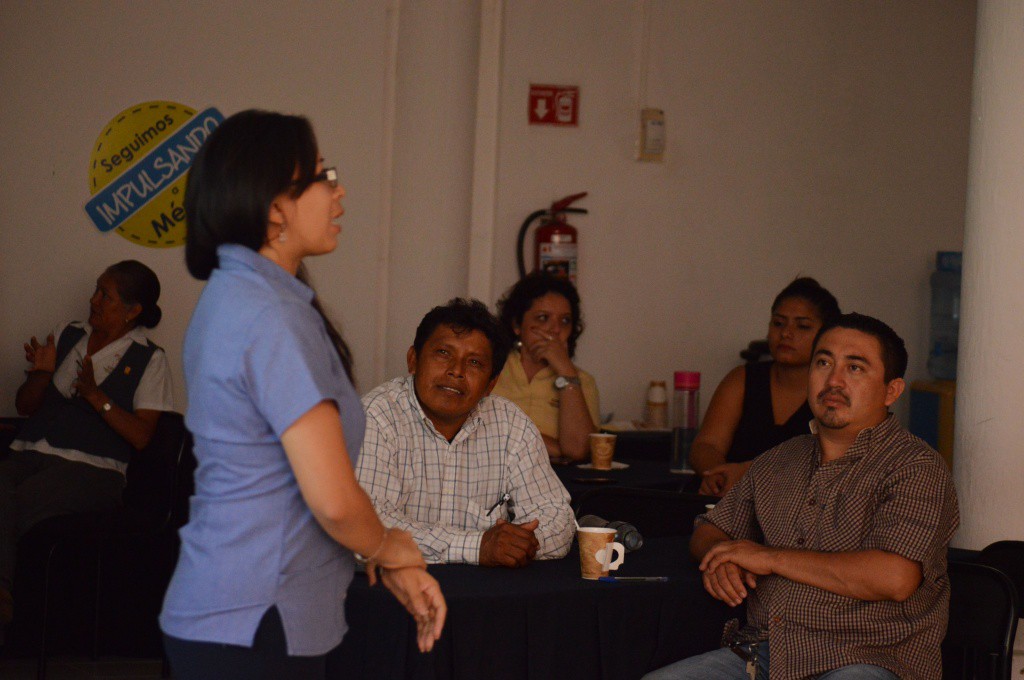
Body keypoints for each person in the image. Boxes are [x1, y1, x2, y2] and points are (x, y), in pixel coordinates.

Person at [159, 110, 444, 679]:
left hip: (241, 612)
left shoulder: (245, 295)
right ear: (272, 206)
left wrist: (380, 553)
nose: (339, 191)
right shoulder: (269, 316)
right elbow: (333, 500)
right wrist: (391, 548)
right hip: (254, 618)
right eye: (322, 176)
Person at [644, 313, 959, 680]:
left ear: (891, 391)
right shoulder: (781, 458)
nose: (834, 380)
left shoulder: (915, 466)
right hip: (764, 655)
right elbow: (709, 529)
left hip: (867, 660)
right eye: (823, 362)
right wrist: (724, 558)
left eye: (855, 368)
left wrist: (768, 558)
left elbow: (895, 577)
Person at [0, 260, 173, 626]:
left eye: (104, 295)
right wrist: (43, 373)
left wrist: (97, 397)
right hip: (29, 452)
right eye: (96, 289)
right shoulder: (66, 334)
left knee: (12, 507)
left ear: (132, 310)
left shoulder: (150, 358)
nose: (92, 299)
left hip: (93, 470)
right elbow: (25, 406)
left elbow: (141, 437)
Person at [355, 298, 575, 568]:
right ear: (413, 360)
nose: (456, 371)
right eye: (443, 354)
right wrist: (478, 546)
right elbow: (368, 525)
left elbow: (557, 516)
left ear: (490, 384)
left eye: (474, 362)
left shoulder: (511, 424)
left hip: (486, 598)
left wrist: (521, 544)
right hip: (395, 594)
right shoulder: (377, 416)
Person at [691, 277, 840, 496]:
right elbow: (707, 445)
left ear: (826, 334)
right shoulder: (741, 379)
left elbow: (829, 464)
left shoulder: (834, 390)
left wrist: (747, 475)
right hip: (730, 499)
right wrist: (718, 475)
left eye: (802, 326)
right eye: (778, 323)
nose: (786, 333)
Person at [492, 272, 599, 462]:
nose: (556, 329)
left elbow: (577, 451)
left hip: (556, 484)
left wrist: (565, 371)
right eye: (543, 318)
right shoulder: (492, 367)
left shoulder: (582, 381)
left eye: (565, 321)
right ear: (518, 325)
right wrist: (554, 448)